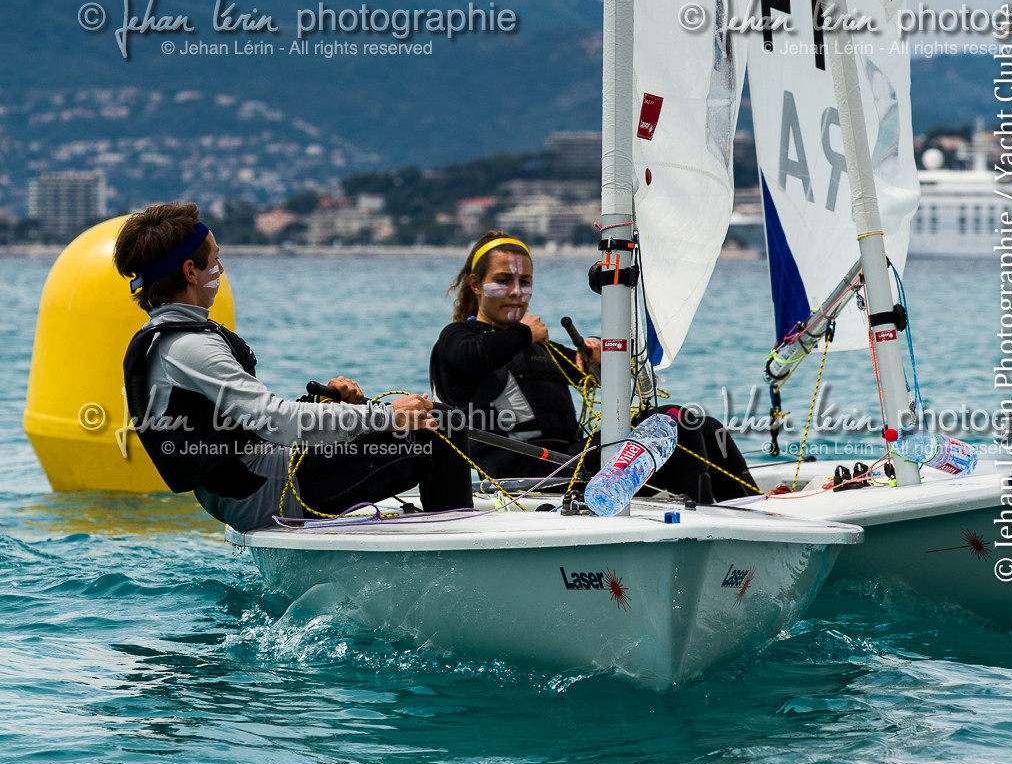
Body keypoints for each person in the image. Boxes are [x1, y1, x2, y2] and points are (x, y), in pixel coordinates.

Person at [114, 202, 472, 532]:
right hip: (263, 493)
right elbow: (276, 422)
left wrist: (320, 407)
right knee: (440, 427)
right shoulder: (190, 346)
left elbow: (243, 425)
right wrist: (386, 416)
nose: (220, 270)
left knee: (426, 422)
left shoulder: (167, 340)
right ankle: (459, 556)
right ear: (191, 271)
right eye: (215, 260)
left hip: (247, 486)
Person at [429, 230, 757, 501]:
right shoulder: (457, 338)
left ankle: (750, 512)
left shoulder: (539, 346)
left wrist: (601, 354)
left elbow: (601, 379)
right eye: (503, 281)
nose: (517, 292)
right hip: (529, 477)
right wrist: (524, 332)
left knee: (699, 424)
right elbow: (475, 356)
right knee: (679, 427)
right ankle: (699, 525)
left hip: (575, 460)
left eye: (525, 282)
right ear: (475, 285)